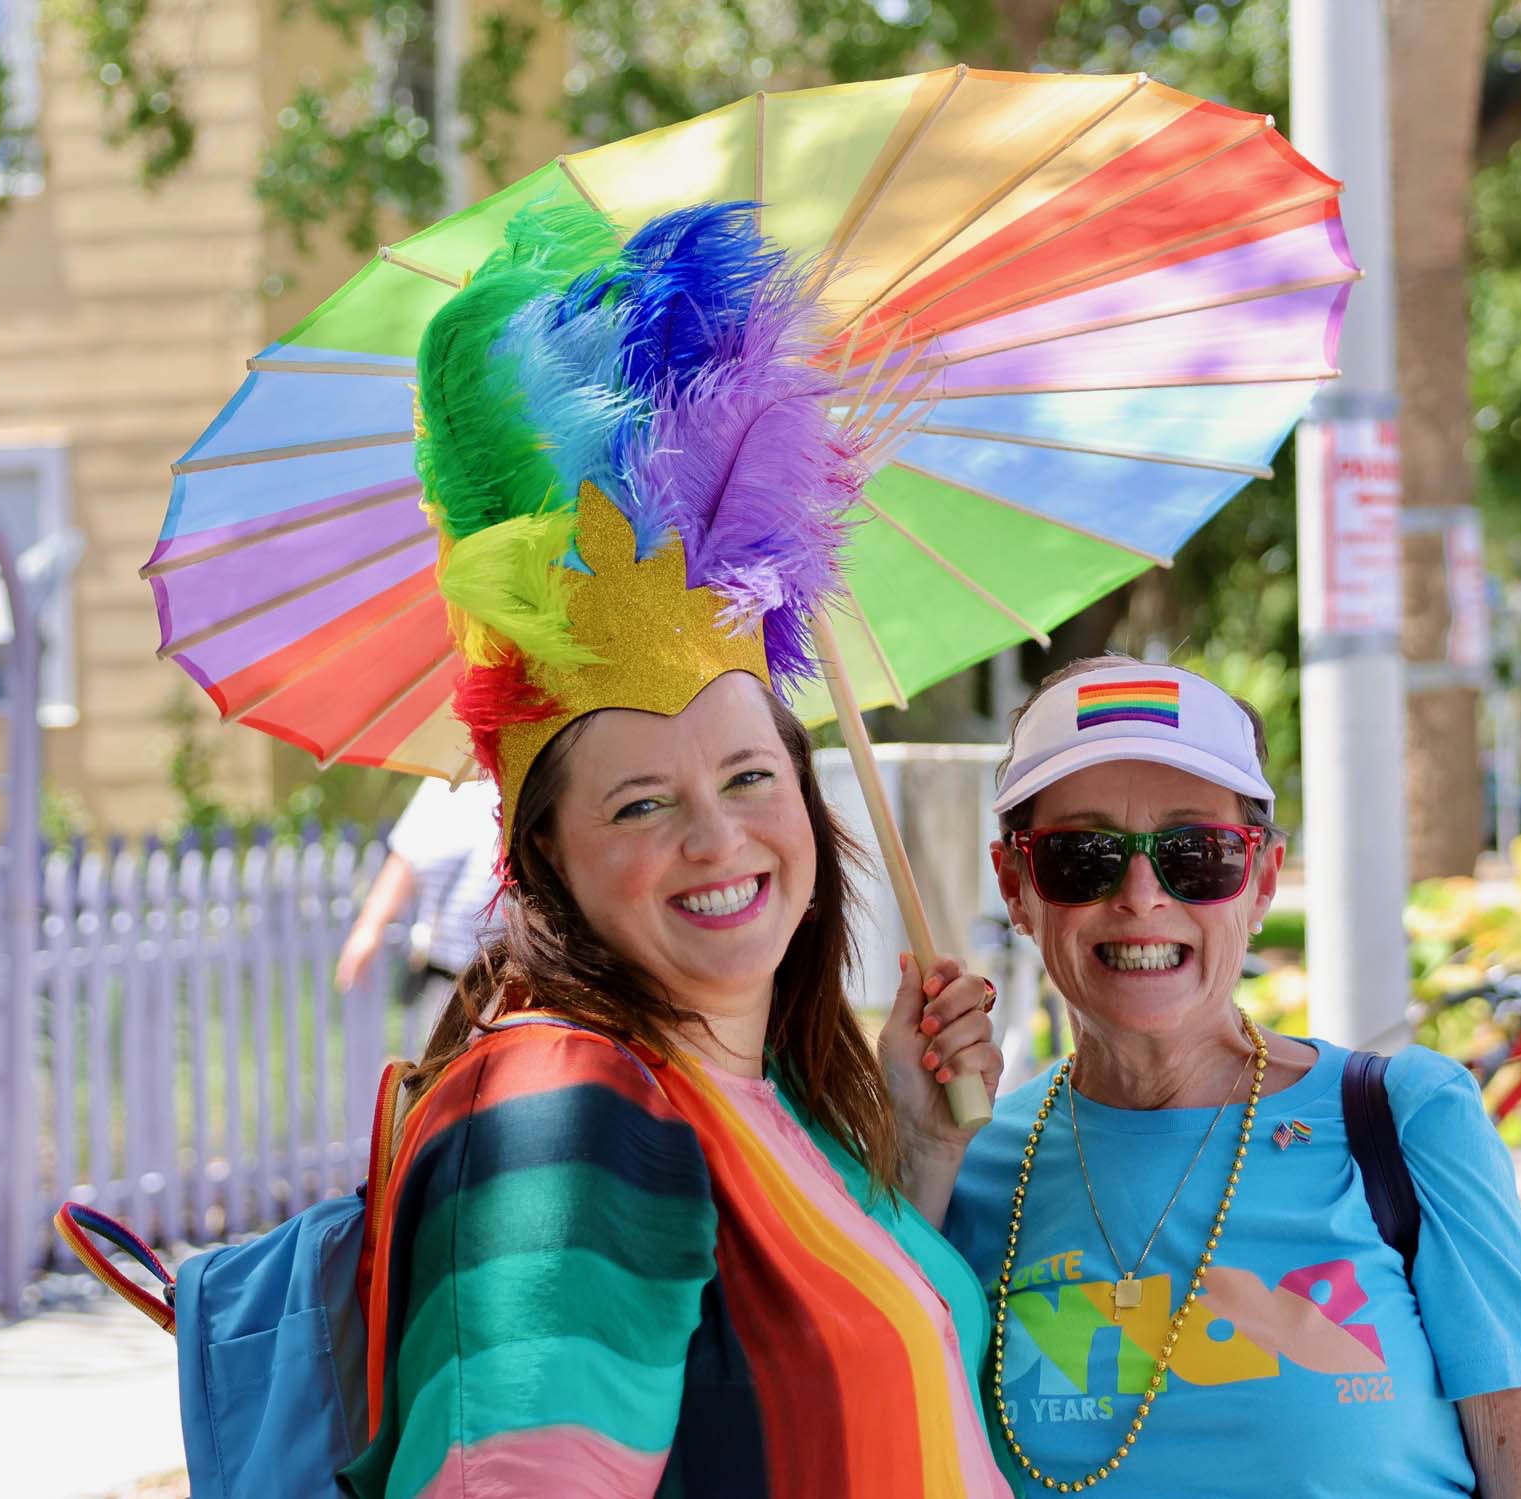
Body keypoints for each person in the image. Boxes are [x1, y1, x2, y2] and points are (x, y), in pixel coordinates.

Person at [339, 199, 1011, 1498]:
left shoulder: (748, 1093)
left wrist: (914, 1154)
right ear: (539, 860)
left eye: (751, 773)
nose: (719, 836)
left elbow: (795, 1397)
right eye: (641, 801)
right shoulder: (563, 1117)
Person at [945, 657, 1521, 1499]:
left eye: (1197, 854)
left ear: (1263, 879)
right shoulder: (966, 1166)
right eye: (1083, 856)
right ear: (1016, 887)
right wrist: (918, 1152)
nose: (1142, 895)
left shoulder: (1404, 1122)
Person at [334, 774, 502, 1048]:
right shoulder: (451, 777)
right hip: (449, 976)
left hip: (514, 978)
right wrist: (369, 927)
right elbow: (406, 857)